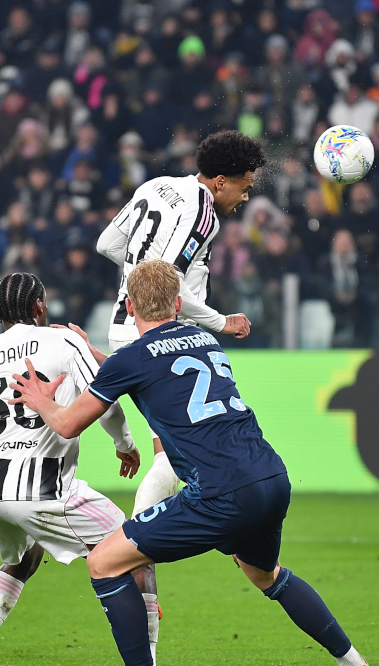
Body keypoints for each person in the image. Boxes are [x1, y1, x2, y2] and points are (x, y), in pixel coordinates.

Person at [8, 259, 379, 666]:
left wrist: (41, 397)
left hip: (220, 493)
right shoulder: (203, 338)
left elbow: (67, 424)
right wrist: (98, 357)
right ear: (179, 303)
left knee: (105, 561)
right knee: (269, 576)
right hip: (270, 477)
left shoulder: (133, 358)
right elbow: (158, 368)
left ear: (127, 306)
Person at [0, 273, 198, 666]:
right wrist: (126, 445)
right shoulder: (61, 341)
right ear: (40, 305)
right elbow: (107, 394)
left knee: (21, 559)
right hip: (43, 486)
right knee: (136, 546)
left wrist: (3, 457)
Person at [94, 130, 258, 524]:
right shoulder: (204, 215)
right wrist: (221, 321)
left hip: (122, 326)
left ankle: (134, 554)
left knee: (170, 455)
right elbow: (171, 282)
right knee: (171, 460)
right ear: (220, 182)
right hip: (159, 336)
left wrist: (137, 271)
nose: (246, 197)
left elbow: (107, 244)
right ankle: (131, 548)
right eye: (244, 186)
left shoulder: (158, 185)